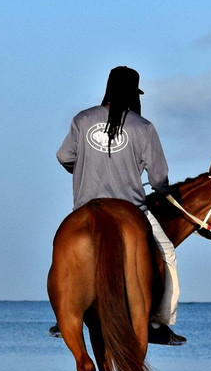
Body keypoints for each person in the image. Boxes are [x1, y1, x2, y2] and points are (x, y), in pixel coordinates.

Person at [52, 66, 184, 345]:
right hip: (132, 208)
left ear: (108, 89)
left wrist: (83, 168)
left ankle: (64, 315)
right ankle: (158, 323)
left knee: (63, 253)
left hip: (86, 206)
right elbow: (158, 178)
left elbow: (64, 156)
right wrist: (163, 192)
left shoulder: (82, 119)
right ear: (135, 95)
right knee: (168, 254)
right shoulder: (143, 127)